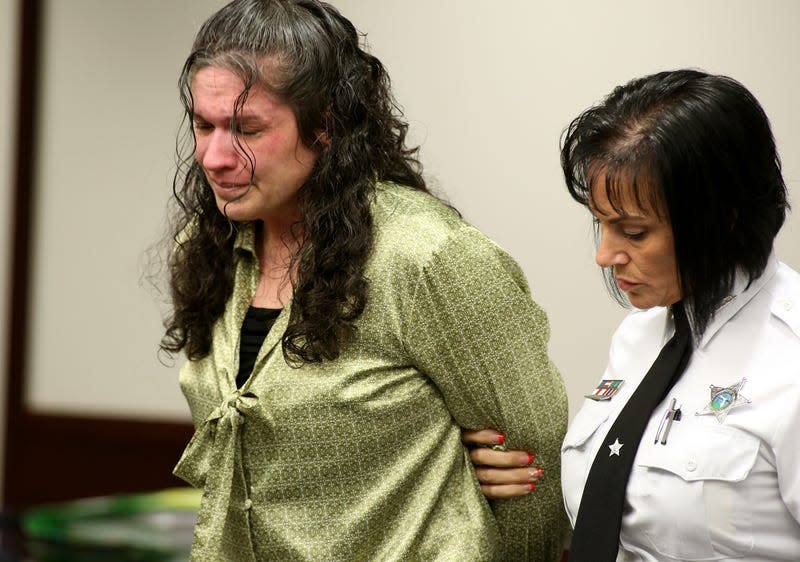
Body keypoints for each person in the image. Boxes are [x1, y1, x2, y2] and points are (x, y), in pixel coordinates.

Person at [161, 0, 568, 560]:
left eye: (246, 129)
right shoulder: (206, 248)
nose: (213, 156)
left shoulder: (427, 255)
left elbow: (532, 454)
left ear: (325, 125)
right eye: (202, 125)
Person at [464, 69, 800, 560]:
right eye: (600, 224)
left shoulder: (790, 358)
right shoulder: (639, 338)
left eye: (634, 232)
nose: (605, 255)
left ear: (723, 219)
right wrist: (518, 476)